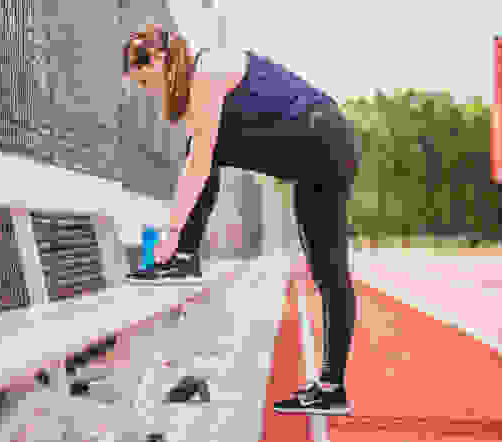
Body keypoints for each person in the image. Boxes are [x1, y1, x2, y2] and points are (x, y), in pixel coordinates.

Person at [121, 24, 359, 415]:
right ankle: (332, 388)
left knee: (204, 146)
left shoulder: (210, 70)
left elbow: (199, 164)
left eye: (147, 82)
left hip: (321, 137)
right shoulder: (201, 85)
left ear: (161, 60)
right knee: (328, 272)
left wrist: (172, 232)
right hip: (324, 146)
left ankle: (182, 257)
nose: (150, 92)